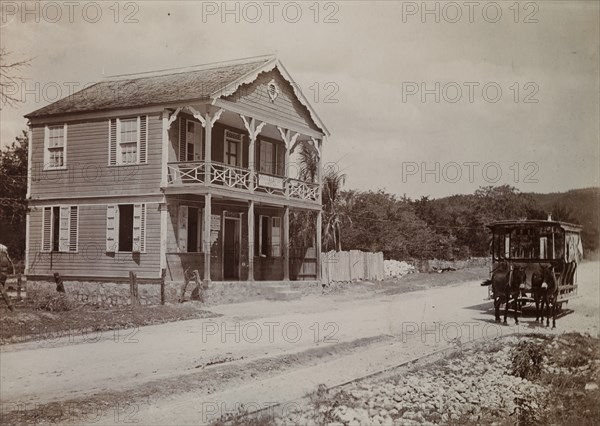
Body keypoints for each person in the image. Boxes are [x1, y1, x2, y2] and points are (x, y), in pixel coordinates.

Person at [0, 244, 16, 311]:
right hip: (4, 275)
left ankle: (11, 306)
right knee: (2, 289)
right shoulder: (6, 256)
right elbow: (10, 266)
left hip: (0, 274)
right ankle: (11, 306)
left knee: (2, 290)